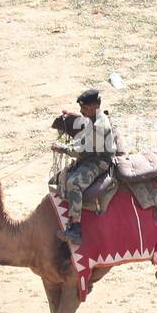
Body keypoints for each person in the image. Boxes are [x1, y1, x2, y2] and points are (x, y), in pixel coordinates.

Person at [51, 89, 124, 244]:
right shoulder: (93, 119)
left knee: (74, 183)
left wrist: (63, 149)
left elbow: (84, 151)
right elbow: (83, 139)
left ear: (91, 107)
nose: (81, 111)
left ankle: (76, 227)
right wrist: (69, 144)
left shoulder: (99, 125)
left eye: (83, 108)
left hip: (99, 162)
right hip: (91, 156)